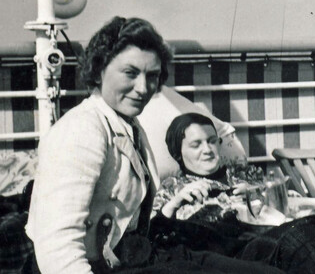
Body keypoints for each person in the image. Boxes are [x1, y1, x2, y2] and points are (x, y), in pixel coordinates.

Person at [25, 16, 282, 274]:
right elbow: (58, 248)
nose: (142, 88)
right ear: (99, 69)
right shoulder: (81, 130)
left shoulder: (129, 125)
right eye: (130, 73)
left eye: (152, 76)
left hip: (136, 253)